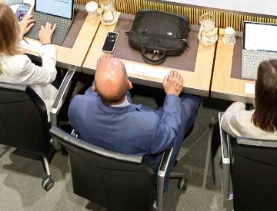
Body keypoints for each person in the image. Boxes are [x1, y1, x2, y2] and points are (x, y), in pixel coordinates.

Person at [69, 56, 200, 183]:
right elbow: (170, 134)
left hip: (97, 174)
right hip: (139, 182)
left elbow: (92, 95)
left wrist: (101, 73)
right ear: (129, 84)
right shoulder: (147, 125)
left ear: (94, 88)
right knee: (191, 99)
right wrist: (172, 95)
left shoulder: (77, 106)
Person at [0, 3, 59, 109]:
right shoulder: (20, 64)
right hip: (30, 110)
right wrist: (46, 44)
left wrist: (17, 34)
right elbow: (50, 76)